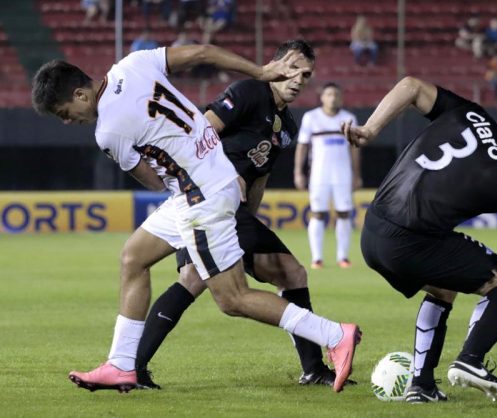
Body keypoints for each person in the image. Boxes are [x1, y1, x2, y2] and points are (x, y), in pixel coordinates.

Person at [32, 43, 361, 394]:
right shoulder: (133, 64)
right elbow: (202, 52)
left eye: (64, 113)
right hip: (213, 178)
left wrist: (176, 163)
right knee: (133, 257)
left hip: (199, 198)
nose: (68, 121)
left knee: (232, 298)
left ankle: (334, 335)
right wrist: (260, 71)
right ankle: (121, 364)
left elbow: (153, 180)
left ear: (81, 94)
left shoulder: (108, 132)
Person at [342, 76, 497, 403]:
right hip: (410, 241)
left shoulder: (470, 113)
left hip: (372, 233)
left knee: (444, 286)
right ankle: (471, 360)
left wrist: (371, 129)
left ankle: (421, 385)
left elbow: (411, 85)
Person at [134, 40, 355, 390]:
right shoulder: (249, 91)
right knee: (272, 275)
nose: (298, 78)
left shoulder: (288, 126)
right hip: (208, 199)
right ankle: (317, 362)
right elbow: (199, 132)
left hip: (232, 213)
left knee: (198, 278)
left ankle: (133, 368)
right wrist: (219, 172)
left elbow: (260, 175)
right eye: (292, 67)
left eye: (306, 74)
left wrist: (250, 217)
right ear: (274, 63)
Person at [294, 82, 361, 269]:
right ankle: (317, 258)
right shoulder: (311, 117)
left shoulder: (349, 118)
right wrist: (298, 172)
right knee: (317, 213)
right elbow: (302, 146)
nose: (333, 98)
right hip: (319, 174)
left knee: (344, 213)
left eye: (336, 94)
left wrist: (356, 174)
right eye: (329, 94)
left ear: (341, 97)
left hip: (343, 173)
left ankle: (343, 257)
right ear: (322, 97)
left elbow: (354, 149)